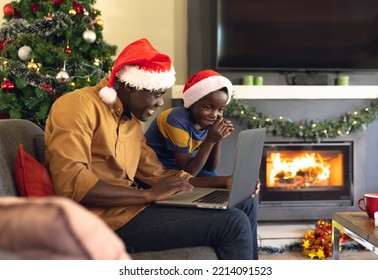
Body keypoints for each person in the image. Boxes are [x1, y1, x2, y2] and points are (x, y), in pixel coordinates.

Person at [44, 38, 259, 259]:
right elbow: (71, 183)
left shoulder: (132, 123)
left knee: (246, 203)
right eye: (156, 94)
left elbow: (159, 175)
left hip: (136, 207)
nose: (159, 103)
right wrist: (147, 195)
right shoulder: (77, 105)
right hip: (103, 221)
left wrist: (223, 182)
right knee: (232, 223)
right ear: (130, 85)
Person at [144, 69, 234, 177]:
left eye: (220, 109)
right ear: (192, 103)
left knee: (214, 177)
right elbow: (188, 173)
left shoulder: (206, 121)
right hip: (157, 165)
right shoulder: (177, 122)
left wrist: (217, 139)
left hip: (181, 162)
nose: (214, 115)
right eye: (208, 107)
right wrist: (211, 140)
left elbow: (210, 167)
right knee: (217, 181)